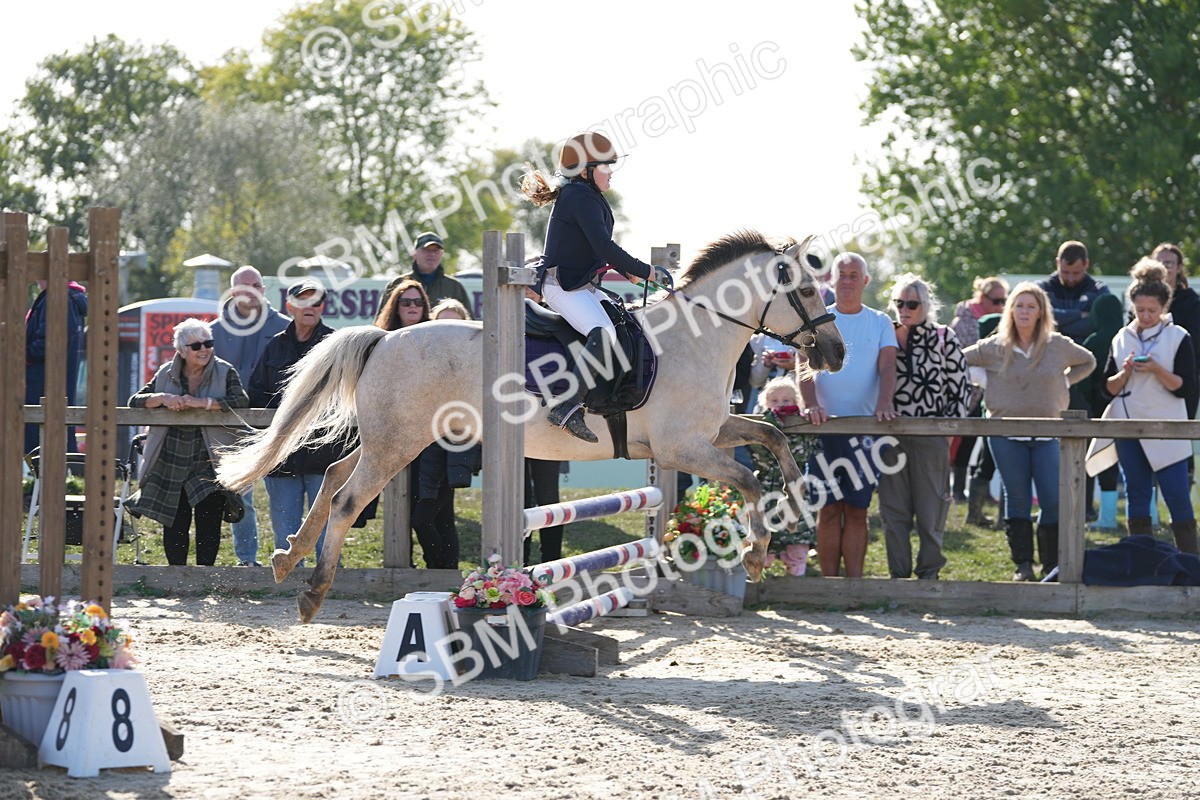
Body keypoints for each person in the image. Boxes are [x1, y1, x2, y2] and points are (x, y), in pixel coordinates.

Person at [519, 130, 669, 443]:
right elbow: (603, 245)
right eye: (605, 166)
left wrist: (624, 271)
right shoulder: (578, 196)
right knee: (603, 333)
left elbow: (590, 249)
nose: (610, 171)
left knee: (621, 322)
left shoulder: (585, 195)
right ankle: (567, 405)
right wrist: (647, 271)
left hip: (579, 284)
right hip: (562, 285)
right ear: (586, 171)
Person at [962, 283, 1095, 581]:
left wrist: (1064, 383)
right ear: (1010, 310)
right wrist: (983, 380)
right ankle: (1022, 565)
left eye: (1030, 306)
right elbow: (959, 360)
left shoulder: (1057, 344)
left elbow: (1088, 361)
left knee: (1051, 499)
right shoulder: (995, 345)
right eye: (1019, 305)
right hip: (1005, 434)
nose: (1024, 311)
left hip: (1049, 433)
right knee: (1017, 497)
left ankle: (1050, 566)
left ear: (1040, 312)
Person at [798, 252, 898, 578]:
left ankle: (854, 586)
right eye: (841, 274)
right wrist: (811, 404)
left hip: (865, 429)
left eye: (854, 275)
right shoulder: (817, 318)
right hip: (824, 427)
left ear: (865, 281)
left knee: (857, 509)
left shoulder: (881, 322)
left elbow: (887, 366)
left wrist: (885, 402)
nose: (847, 281)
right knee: (827, 509)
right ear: (831, 280)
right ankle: (829, 585)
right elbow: (804, 366)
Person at [1087, 260, 1198, 554]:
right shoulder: (1121, 337)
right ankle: (1140, 557)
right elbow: (1105, 390)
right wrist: (1124, 374)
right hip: (1129, 424)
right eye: (1140, 310)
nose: (1145, 316)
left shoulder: (1178, 336)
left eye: (1152, 310)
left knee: (1176, 496)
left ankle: (1191, 562)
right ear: (1132, 306)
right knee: (1136, 495)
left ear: (1164, 306)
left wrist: (1157, 370)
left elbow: (1186, 387)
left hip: (1167, 426)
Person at [128, 318, 249, 565]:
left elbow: (241, 401)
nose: (204, 349)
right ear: (181, 351)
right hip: (171, 452)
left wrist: (202, 404)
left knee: (209, 516)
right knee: (174, 517)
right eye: (196, 346)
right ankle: (177, 574)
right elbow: (135, 401)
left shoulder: (225, 371)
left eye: (208, 343)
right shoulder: (165, 373)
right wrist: (162, 398)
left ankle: (204, 575)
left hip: (211, 454)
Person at [376, 278, 477, 569]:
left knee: (430, 515)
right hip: (406, 440)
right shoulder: (398, 342)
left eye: (417, 302)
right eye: (406, 302)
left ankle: (442, 571)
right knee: (414, 513)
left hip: (446, 444)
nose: (412, 306)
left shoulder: (461, 356)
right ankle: (426, 569)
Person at [878, 274, 970, 580]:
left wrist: (948, 433)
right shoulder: (885, 334)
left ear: (925, 305)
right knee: (893, 511)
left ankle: (929, 574)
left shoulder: (944, 336)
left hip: (932, 435)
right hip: (890, 435)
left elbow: (960, 389)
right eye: (899, 302)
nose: (904, 308)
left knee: (931, 511)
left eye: (912, 303)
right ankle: (898, 576)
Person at [249, 278, 346, 562]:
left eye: (316, 302)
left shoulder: (336, 344)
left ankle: (331, 586)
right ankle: (289, 586)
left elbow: (346, 396)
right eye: (303, 301)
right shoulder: (274, 347)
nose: (310, 307)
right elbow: (256, 393)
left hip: (325, 456)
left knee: (328, 531)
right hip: (282, 457)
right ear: (290, 307)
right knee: (285, 530)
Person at [211, 265, 289, 566]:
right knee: (240, 494)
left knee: (282, 493)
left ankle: (289, 559)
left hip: (277, 422)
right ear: (233, 292)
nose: (251, 290)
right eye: (245, 286)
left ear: (263, 290)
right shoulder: (214, 332)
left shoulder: (285, 327)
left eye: (256, 284)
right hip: (230, 423)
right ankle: (247, 559)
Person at [748, 377, 819, 576]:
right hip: (765, 488)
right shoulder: (758, 425)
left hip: (795, 490)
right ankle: (760, 580)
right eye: (775, 401)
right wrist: (771, 422)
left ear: (797, 401)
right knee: (763, 539)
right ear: (764, 403)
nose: (781, 405)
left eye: (787, 400)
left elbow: (807, 450)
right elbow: (757, 451)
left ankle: (796, 578)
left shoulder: (803, 424)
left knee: (797, 541)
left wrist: (799, 422)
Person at [949, 276, 1009, 514]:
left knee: (976, 441)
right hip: (962, 389)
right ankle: (955, 490)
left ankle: (968, 492)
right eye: (996, 300)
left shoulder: (1001, 321)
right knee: (957, 439)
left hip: (987, 390)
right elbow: (958, 357)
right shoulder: (962, 323)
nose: (1001, 306)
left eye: (1004, 300)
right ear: (982, 298)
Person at [25, 278, 88, 455]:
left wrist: (23, 356)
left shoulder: (58, 298)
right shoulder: (67, 298)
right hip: (50, 379)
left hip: (42, 379)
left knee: (36, 437)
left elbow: (47, 342)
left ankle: (38, 477)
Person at [1078, 293, 1125, 531]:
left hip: (1097, 413)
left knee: (1095, 462)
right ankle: (1149, 516)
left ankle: (1099, 515)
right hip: (1129, 411)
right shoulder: (1128, 338)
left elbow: (1081, 382)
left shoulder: (1095, 341)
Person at [1038, 240, 1112, 346]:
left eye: (1076, 273)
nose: (1070, 278)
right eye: (1065, 272)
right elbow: (1037, 318)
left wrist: (1056, 324)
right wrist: (1080, 314)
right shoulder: (1041, 289)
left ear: (1086, 264)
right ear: (1057, 263)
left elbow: (1103, 325)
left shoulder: (1099, 290)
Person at [383, 231, 471, 310]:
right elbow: (382, 320)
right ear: (414, 254)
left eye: (436, 251)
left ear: (442, 254)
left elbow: (467, 323)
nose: (432, 254)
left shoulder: (454, 287)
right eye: (426, 250)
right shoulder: (397, 284)